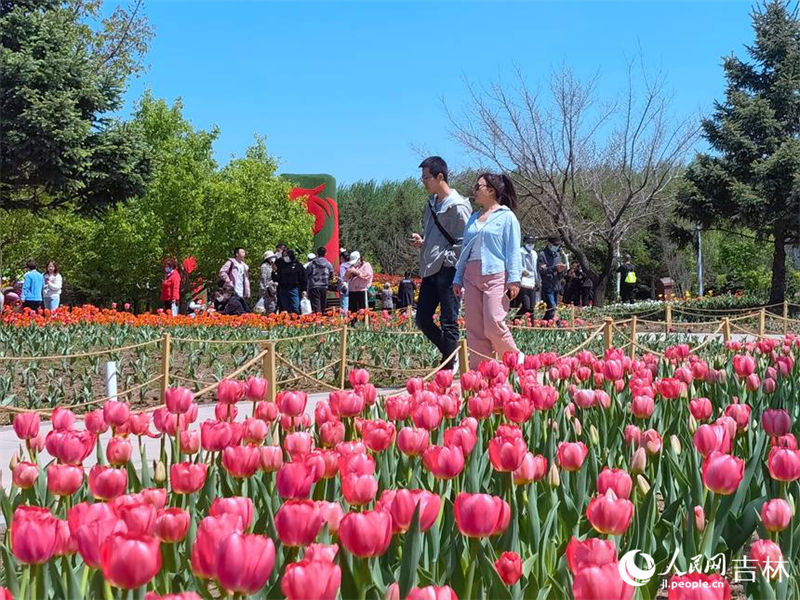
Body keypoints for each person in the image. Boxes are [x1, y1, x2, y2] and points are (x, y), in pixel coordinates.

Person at [453, 173, 522, 369]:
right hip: (470, 275)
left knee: (493, 323)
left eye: (478, 186)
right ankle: (482, 374)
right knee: (475, 329)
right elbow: (465, 249)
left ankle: (516, 362)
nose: (474, 190)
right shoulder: (473, 217)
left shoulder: (507, 217)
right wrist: (458, 278)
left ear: (491, 190)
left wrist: (514, 279)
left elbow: (512, 249)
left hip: (496, 274)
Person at [410, 156, 471, 370]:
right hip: (429, 268)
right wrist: (423, 243)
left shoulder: (458, 206)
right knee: (423, 319)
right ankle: (450, 354)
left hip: (448, 270)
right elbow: (436, 236)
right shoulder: (431, 203)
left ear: (440, 176)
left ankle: (448, 363)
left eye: (426, 177)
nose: (423, 181)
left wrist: (448, 260)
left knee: (449, 320)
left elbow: (466, 241)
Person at [537, 235, 567, 321]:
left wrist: (561, 270)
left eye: (558, 245)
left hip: (556, 285)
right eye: (555, 245)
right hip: (547, 285)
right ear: (549, 244)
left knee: (551, 310)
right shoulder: (542, 255)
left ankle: (543, 325)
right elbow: (541, 270)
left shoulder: (557, 255)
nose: (556, 247)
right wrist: (554, 268)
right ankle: (559, 325)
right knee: (553, 307)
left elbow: (559, 272)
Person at [274, 249, 306, 314]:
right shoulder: (281, 265)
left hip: (294, 288)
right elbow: (276, 278)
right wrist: (274, 272)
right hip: (283, 288)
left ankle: (296, 320)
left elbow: (303, 278)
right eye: (283, 256)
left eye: (286, 255)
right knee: (285, 308)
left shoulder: (297, 265)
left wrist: (304, 289)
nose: (285, 257)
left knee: (295, 307)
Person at [306, 247, 334, 313]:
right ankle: (323, 318)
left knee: (316, 305)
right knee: (323, 304)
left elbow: (307, 273)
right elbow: (331, 274)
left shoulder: (312, 263)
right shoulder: (328, 264)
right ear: (325, 253)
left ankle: (318, 319)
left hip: (314, 286)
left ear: (317, 254)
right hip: (324, 286)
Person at [518, 235, 538, 321]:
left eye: (533, 243)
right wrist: (522, 270)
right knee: (526, 305)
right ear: (524, 242)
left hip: (532, 281)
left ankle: (532, 326)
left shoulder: (534, 253)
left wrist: (537, 280)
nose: (531, 244)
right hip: (523, 281)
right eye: (529, 242)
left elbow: (535, 268)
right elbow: (516, 264)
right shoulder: (519, 252)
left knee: (532, 307)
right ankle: (515, 321)